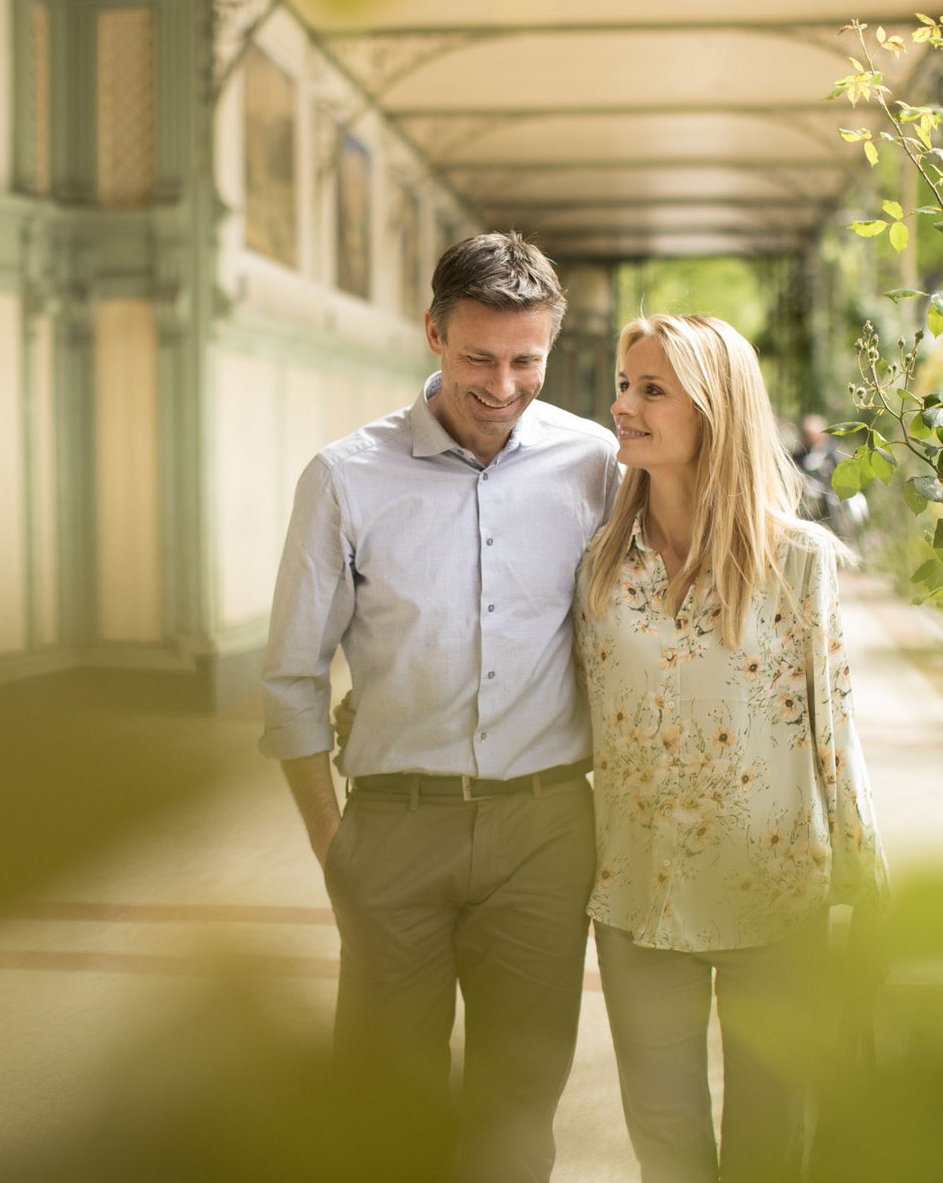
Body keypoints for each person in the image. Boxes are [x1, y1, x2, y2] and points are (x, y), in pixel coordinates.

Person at [259, 232, 619, 1183]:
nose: (502, 384)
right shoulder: (344, 478)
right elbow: (292, 674)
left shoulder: (596, 465)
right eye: (478, 358)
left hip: (545, 832)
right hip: (392, 832)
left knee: (517, 1106)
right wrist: (335, 849)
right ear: (432, 333)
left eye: (525, 360)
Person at [577, 314, 889, 1183]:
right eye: (624, 385)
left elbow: (839, 734)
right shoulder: (602, 567)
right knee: (667, 1147)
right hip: (642, 897)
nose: (622, 406)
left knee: (770, 1149)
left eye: (651, 390)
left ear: (714, 412)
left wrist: (871, 891)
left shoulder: (801, 563)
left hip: (779, 899)